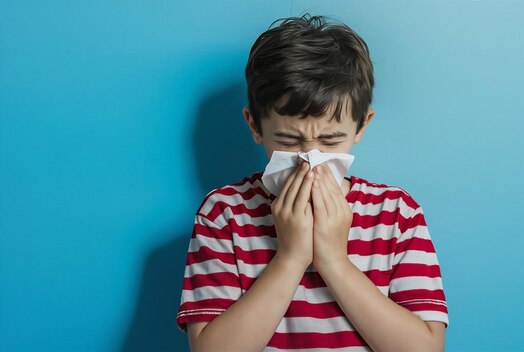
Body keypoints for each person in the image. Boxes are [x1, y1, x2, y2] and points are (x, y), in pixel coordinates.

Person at [176, 13, 449, 351]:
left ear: (362, 126)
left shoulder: (397, 215)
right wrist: (290, 257)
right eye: (289, 142)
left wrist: (333, 260)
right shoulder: (224, 214)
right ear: (255, 126)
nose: (310, 158)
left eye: (331, 140)